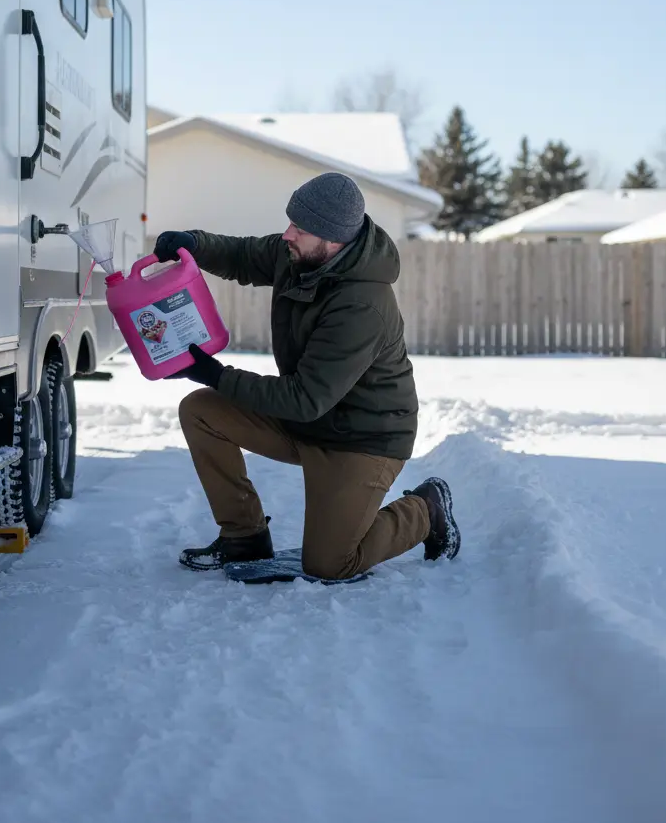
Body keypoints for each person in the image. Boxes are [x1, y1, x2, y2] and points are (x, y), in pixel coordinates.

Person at [154, 171, 460, 580]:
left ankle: (425, 510)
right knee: (202, 411)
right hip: (308, 421)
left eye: (299, 228)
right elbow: (243, 255)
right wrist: (193, 243)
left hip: (362, 439)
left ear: (333, 239)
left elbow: (304, 398)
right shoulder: (302, 254)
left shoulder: (361, 306)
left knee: (331, 564)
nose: (287, 234)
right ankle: (243, 538)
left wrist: (215, 373)